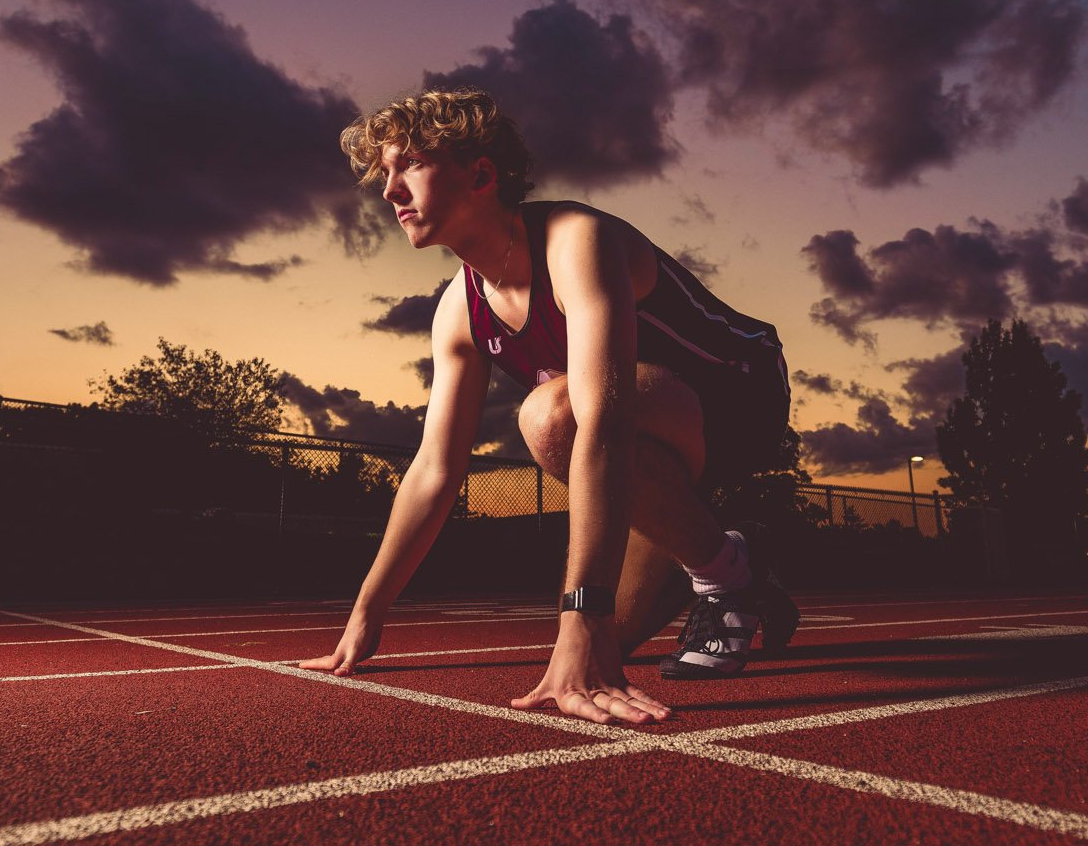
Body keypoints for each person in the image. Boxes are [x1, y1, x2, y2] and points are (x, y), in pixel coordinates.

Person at [300, 89, 797, 725]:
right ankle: (728, 564)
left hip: (739, 395)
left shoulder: (574, 240)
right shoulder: (460, 310)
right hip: (650, 432)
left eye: (411, 166)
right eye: (384, 173)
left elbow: (605, 422)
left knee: (552, 418)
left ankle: (714, 568)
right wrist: (367, 613)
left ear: (481, 173)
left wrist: (578, 612)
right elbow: (434, 469)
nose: (390, 190)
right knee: (603, 648)